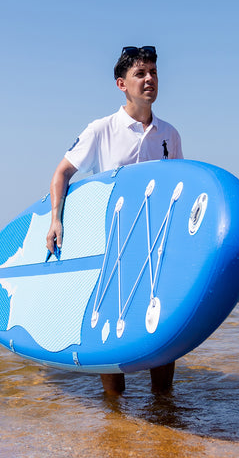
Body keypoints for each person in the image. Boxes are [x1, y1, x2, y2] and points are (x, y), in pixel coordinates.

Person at [46, 46, 183, 395]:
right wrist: (56, 221)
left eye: (153, 72)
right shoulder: (101, 130)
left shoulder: (169, 134)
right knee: (110, 320)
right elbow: (62, 173)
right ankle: (114, 413)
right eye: (141, 74)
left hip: (158, 241)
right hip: (113, 241)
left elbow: (179, 186)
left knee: (161, 322)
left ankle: (163, 405)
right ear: (122, 83)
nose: (149, 79)